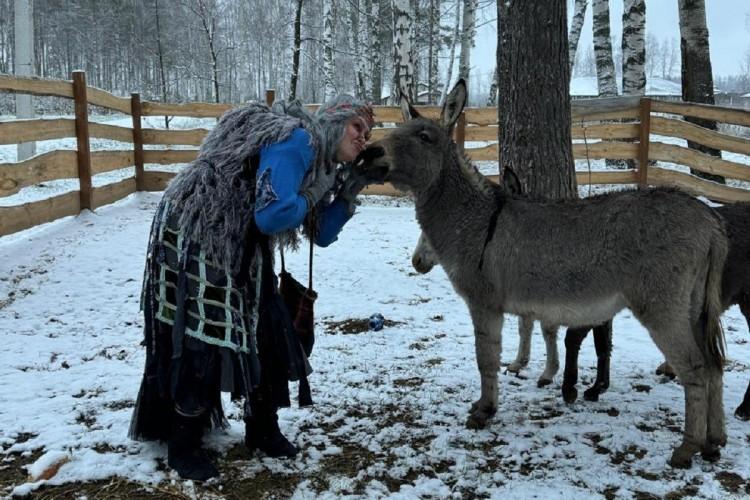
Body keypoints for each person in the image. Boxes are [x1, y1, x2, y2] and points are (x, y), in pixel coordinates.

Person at [129, 94, 374, 481]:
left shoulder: (323, 164)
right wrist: (313, 193)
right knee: (206, 331)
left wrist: (347, 194)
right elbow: (274, 214)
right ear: (332, 121)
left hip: (242, 240)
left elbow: (320, 234)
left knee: (267, 324)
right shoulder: (298, 141)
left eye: (369, 131)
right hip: (199, 229)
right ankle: (183, 444)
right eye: (357, 126)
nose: (364, 137)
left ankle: (263, 428)